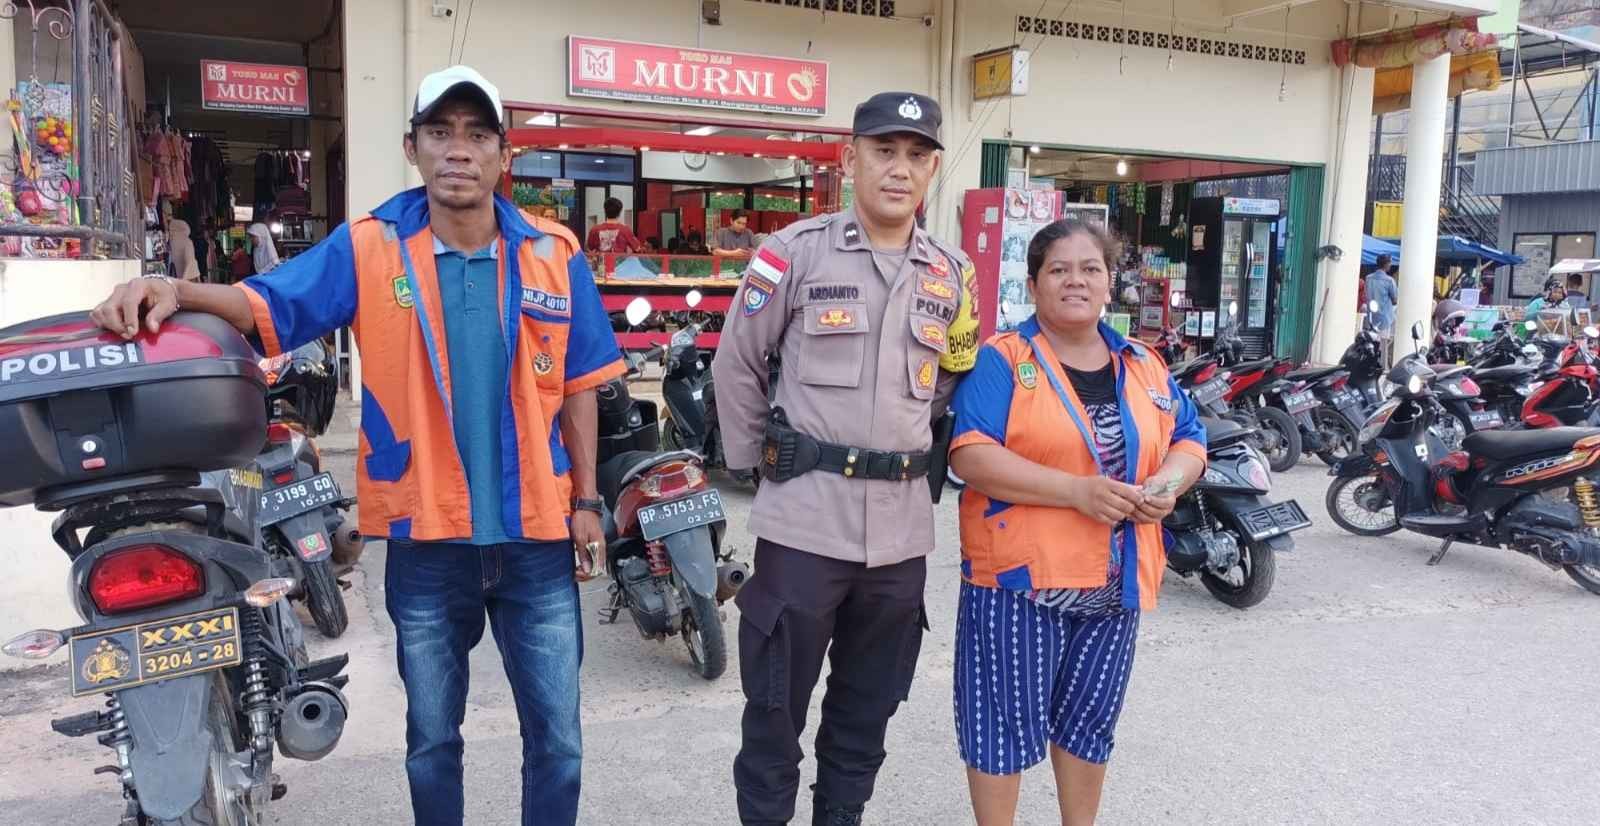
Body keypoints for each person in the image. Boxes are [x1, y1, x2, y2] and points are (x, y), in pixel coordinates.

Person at [88, 65, 622, 826]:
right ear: (414, 148)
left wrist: (590, 502)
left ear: (505, 155)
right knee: (433, 738)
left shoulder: (554, 254)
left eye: (477, 135)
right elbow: (265, 303)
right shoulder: (372, 248)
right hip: (425, 538)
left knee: (560, 740)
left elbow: (578, 385)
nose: (458, 151)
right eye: (440, 133)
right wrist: (173, 288)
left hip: (535, 534)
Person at [713, 91, 980, 826]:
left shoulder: (953, 274)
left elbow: (954, 372)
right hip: (804, 525)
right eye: (883, 152)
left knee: (866, 714)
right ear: (849, 158)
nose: (900, 169)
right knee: (773, 715)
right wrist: (752, 466)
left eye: (916, 155)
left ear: (933, 168)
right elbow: (737, 362)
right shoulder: (795, 253)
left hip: (900, 537)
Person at [947, 219, 1207, 826]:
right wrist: (1075, 493)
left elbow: (1189, 437)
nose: (1075, 280)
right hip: (1019, 585)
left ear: (1110, 283)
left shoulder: (1143, 363)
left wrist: (1165, 487)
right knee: (999, 724)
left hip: (1116, 583)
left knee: (1090, 723)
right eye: (1058, 269)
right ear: (1034, 284)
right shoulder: (1003, 359)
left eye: (1090, 268)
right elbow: (971, 454)